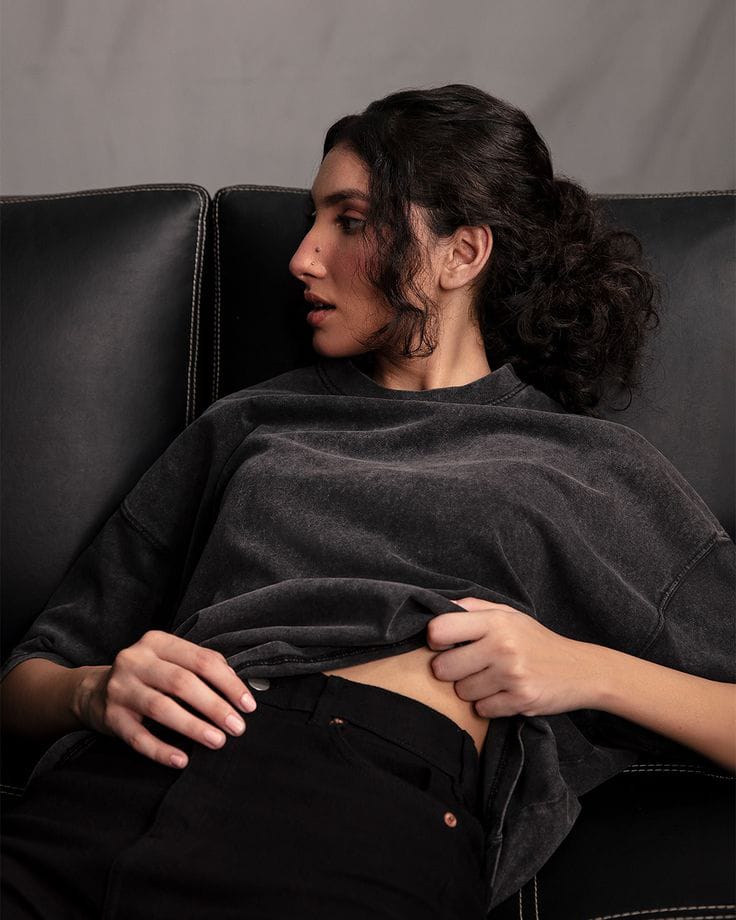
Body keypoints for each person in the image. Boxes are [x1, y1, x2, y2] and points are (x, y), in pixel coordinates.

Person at [1, 84, 734, 919]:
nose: (302, 257)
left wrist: (585, 671)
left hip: (359, 798)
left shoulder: (591, 466)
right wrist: (92, 692)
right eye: (313, 220)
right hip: (122, 780)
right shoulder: (249, 422)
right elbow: (26, 677)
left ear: (462, 254)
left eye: (349, 221)